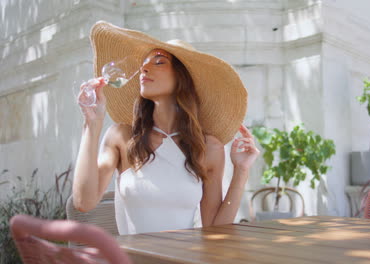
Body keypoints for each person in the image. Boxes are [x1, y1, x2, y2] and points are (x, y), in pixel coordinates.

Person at [72, 21, 259, 235]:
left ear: (182, 78)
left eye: (159, 62)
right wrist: (92, 124)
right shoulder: (122, 137)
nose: (144, 68)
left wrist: (241, 171)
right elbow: (83, 202)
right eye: (144, 63)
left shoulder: (208, 147)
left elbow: (216, 231)